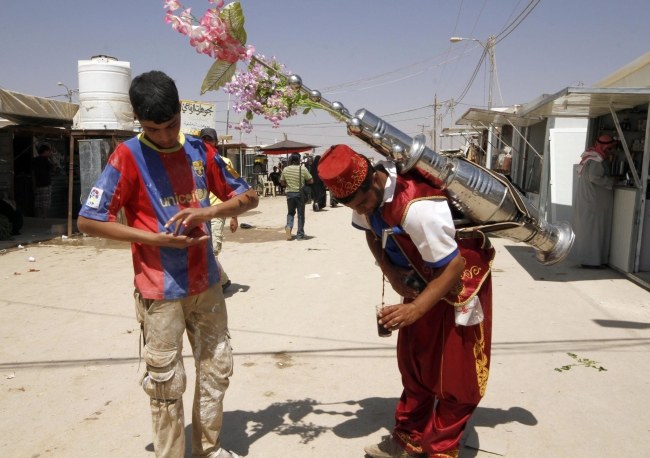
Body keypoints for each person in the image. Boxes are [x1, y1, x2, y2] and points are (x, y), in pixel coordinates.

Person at [77, 71, 258, 458]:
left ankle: (210, 449)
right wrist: (153, 239)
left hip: (207, 285)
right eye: (152, 128)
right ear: (137, 122)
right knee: (165, 384)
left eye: (170, 125)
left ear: (180, 111)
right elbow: (88, 221)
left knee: (216, 371)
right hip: (159, 292)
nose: (162, 136)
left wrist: (208, 210)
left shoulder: (200, 151)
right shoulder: (126, 156)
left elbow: (248, 196)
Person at [318, 145, 495, 458]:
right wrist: (390, 270)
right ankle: (409, 439)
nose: (362, 210)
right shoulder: (364, 203)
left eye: (363, 202)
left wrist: (415, 309)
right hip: (418, 279)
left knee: (455, 372)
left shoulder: (417, 208)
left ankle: (441, 448)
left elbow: (453, 267)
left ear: (375, 180)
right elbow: (372, 234)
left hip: (458, 285)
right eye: (353, 207)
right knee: (415, 363)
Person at [201, 127, 238, 292]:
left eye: (210, 140)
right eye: (204, 140)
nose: (207, 143)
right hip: (199, 213)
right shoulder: (192, 162)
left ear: (216, 142)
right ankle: (222, 280)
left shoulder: (224, 162)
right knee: (202, 250)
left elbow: (234, 190)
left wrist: (234, 216)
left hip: (217, 211)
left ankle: (217, 284)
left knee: (213, 249)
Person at [573, 134, 619, 268]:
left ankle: (592, 260)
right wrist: (611, 181)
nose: (610, 151)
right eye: (609, 148)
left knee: (591, 232)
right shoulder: (596, 160)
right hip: (593, 203)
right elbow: (594, 177)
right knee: (593, 233)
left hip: (590, 202)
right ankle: (591, 262)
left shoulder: (591, 158)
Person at [280, 152, 313, 240]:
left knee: (290, 213)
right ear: (299, 160)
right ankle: (300, 235)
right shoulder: (303, 169)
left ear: (290, 160)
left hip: (289, 194)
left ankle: (289, 226)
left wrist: (289, 184)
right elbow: (311, 181)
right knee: (300, 215)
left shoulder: (285, 169)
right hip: (300, 194)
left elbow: (282, 183)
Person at [32, 143, 53, 218]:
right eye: (49, 151)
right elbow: (53, 169)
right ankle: (44, 219)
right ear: (45, 151)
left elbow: (33, 173)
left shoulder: (34, 160)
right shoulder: (46, 161)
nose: (50, 153)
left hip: (37, 185)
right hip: (46, 185)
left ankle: (38, 219)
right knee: (45, 204)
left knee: (38, 204)